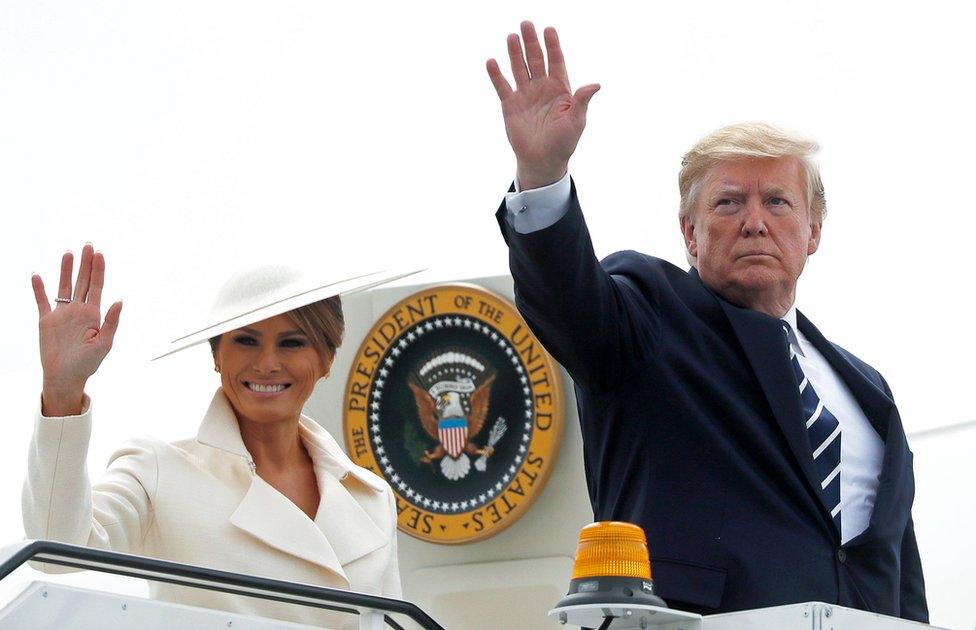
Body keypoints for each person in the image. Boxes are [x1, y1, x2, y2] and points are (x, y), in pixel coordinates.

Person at [486, 22, 928, 621]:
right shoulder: (648, 315)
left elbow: (894, 567)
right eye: (727, 202)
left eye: (776, 201)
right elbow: (568, 300)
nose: (754, 222)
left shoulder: (866, 389)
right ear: (689, 233)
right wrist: (542, 173)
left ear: (813, 232)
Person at [23, 244, 403, 628]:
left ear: (326, 360)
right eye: (246, 340)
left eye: (292, 342)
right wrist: (62, 389)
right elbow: (56, 549)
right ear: (216, 355)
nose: (268, 363)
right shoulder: (158, 471)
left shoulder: (370, 498)